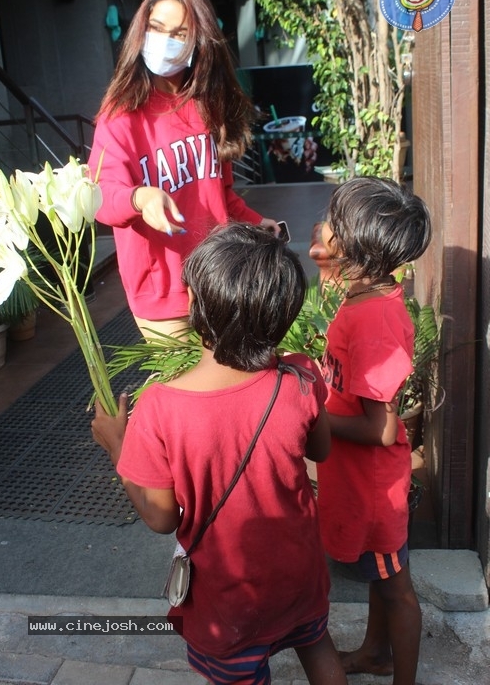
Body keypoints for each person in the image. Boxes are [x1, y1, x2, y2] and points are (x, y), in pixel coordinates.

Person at [91, 222, 347, 685]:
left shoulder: (160, 408)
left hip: (228, 601)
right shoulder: (301, 377)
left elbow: (161, 517)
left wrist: (117, 445)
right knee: (316, 644)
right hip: (299, 572)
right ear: (283, 312)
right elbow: (321, 450)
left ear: (194, 305)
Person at [87, 0, 279, 338]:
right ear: (141, 32)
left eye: (179, 33)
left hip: (219, 281)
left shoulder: (208, 105)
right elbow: (102, 196)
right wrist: (141, 197)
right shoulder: (122, 115)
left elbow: (219, 197)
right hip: (162, 294)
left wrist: (256, 222)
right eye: (156, 28)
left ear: (198, 41)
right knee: (184, 391)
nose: (164, 40)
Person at [316, 176, 432, 685]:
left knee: (397, 590)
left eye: (334, 223)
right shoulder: (365, 295)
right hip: (356, 479)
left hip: (373, 488)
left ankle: (401, 675)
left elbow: (382, 428)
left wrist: (314, 417)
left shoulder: (376, 320)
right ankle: (373, 653)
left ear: (356, 245)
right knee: (378, 576)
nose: (326, 230)